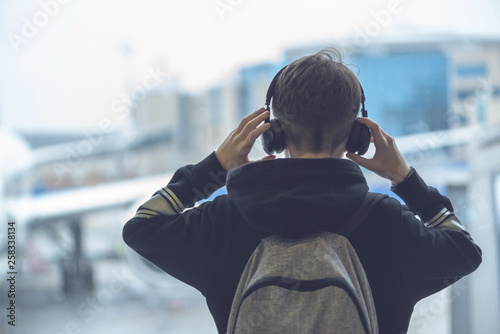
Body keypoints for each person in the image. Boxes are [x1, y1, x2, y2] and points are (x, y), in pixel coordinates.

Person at [122, 48, 482, 333]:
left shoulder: (223, 220)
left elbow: (142, 226)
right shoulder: (389, 223)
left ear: (271, 133)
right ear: (358, 132)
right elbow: (465, 250)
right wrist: (406, 180)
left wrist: (214, 167)